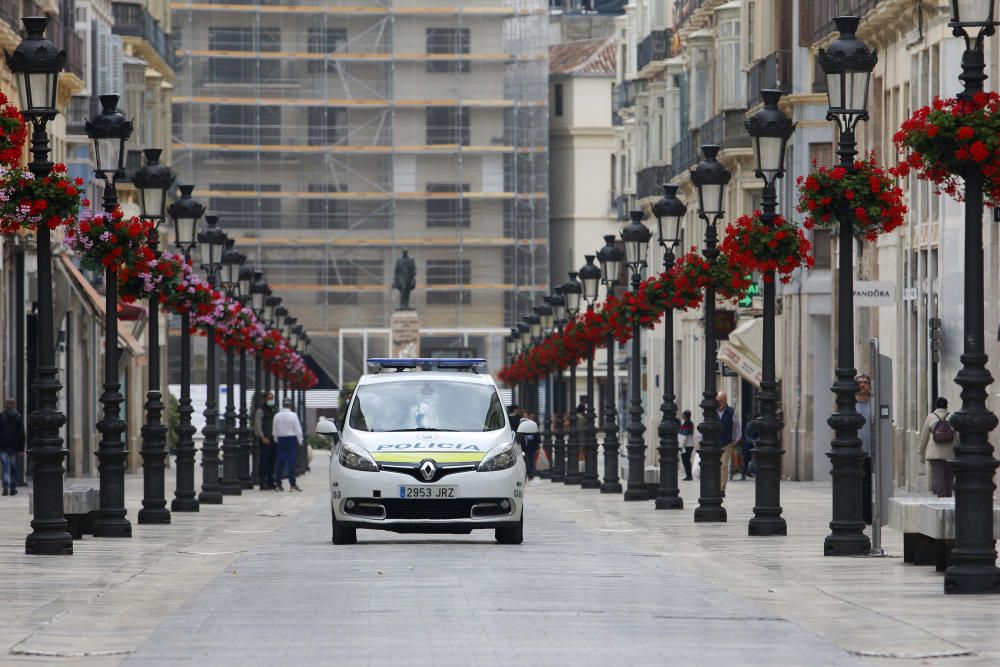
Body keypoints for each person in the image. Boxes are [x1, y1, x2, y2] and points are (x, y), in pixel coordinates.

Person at [918, 397, 956, 497]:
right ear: (946, 406)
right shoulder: (952, 417)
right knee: (949, 476)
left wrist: (921, 451)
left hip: (934, 453)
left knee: (938, 476)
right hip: (950, 452)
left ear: (936, 406)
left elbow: (924, 436)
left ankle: (941, 495)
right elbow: (957, 435)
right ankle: (948, 495)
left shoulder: (931, 417)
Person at [272, 399, 303, 492]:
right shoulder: (293, 415)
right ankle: (292, 485)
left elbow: (274, 430)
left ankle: (278, 484)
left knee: (279, 463)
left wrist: (277, 440)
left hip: (281, 440)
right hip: (291, 440)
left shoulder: (277, 416)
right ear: (290, 405)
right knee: (291, 463)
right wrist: (300, 440)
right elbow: (298, 429)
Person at [855, 373, 873, 525]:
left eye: (865, 382)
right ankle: (856, 514)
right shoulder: (850, 404)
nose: (862, 385)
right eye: (859, 382)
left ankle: (867, 515)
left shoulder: (874, 403)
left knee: (868, 485)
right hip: (854, 453)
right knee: (855, 484)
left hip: (870, 452)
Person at [717, 392, 741, 495]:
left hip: (726, 442)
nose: (720, 403)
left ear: (726, 400)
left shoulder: (731, 411)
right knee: (714, 466)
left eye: (722, 400)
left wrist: (736, 439)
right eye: (718, 401)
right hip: (713, 443)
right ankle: (715, 486)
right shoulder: (711, 411)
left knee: (723, 465)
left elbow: (736, 426)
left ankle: (722, 488)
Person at [0, 399, 25, 496]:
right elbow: (22, 434)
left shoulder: (1, 416)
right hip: (14, 446)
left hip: (3, 446)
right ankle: (13, 488)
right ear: (14, 405)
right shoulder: (18, 416)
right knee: (13, 467)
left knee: (5, 467)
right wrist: (21, 449)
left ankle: (5, 487)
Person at [255, 391, 278, 490]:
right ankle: (263, 482)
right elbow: (257, 425)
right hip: (265, 439)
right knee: (264, 462)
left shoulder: (275, 410)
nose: (271, 400)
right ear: (264, 400)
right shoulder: (260, 411)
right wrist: (262, 437)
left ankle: (270, 481)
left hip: (274, 439)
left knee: (272, 462)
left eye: (272, 398)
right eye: (269, 398)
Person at [522, 411, 540, 480]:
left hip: (531, 445)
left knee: (531, 459)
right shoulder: (521, 425)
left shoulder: (532, 424)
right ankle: (528, 473)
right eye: (523, 416)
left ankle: (532, 473)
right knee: (525, 460)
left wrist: (538, 446)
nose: (525, 417)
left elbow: (537, 435)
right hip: (524, 445)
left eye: (526, 416)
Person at [741, 414, 760, 481]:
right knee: (746, 459)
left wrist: (758, 440)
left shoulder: (759, 426)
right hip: (748, 444)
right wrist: (752, 441)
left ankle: (752, 472)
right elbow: (746, 435)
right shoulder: (749, 425)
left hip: (756, 444)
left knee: (756, 459)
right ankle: (744, 473)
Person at [679, 410, 695, 480]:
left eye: (683, 415)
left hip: (686, 445)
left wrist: (680, 446)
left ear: (685, 416)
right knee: (686, 461)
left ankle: (689, 476)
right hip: (688, 445)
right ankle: (688, 475)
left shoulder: (687, 423)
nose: (682, 416)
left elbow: (684, 436)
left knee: (686, 461)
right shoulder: (689, 423)